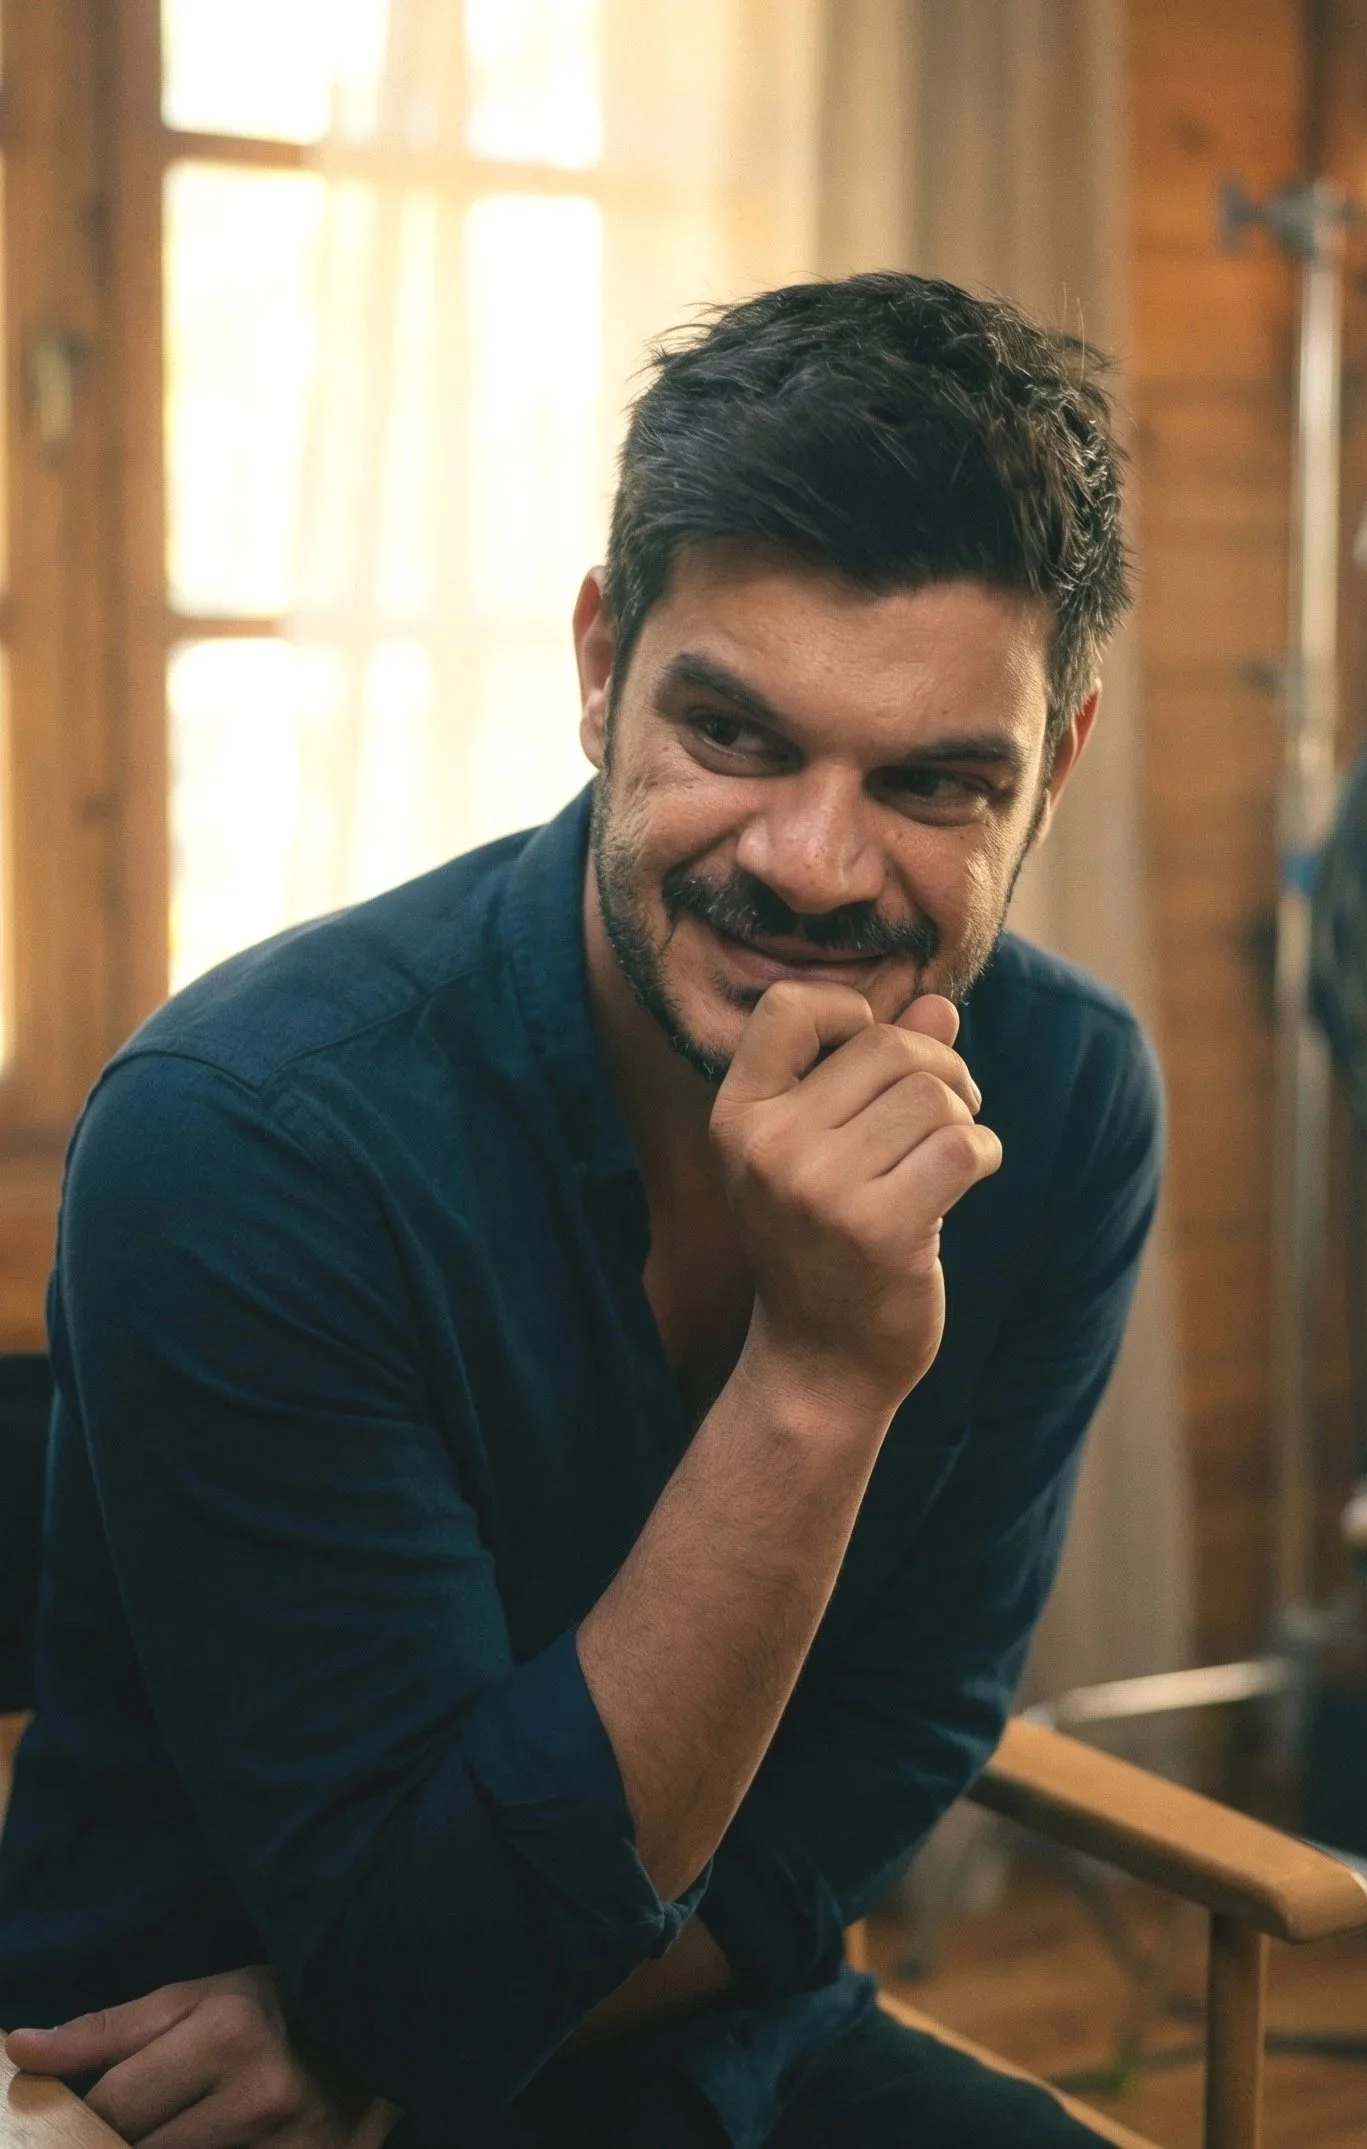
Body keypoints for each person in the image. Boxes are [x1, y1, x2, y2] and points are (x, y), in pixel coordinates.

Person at [0, 272, 1162, 2147]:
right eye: (736, 736)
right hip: (193, 2093)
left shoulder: (1065, 1100)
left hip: (671, 2048)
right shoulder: (248, 1134)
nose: (812, 859)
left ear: (1061, 765)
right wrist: (816, 1379)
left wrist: (392, 2015)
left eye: (935, 781)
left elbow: (886, 1755)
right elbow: (424, 1962)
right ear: (601, 663)